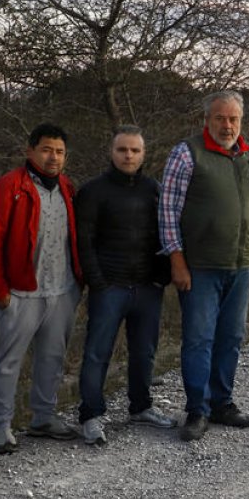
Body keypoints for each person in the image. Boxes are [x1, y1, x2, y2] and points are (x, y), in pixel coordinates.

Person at [160, 91, 249, 442]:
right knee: (199, 339)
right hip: (200, 266)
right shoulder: (186, 154)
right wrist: (177, 260)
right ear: (207, 119)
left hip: (241, 264)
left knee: (231, 337)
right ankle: (198, 409)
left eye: (233, 119)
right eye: (220, 118)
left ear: (241, 121)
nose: (227, 125)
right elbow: (168, 212)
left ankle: (222, 403)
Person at [0, 123, 82, 454]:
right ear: (30, 151)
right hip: (21, 294)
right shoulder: (10, 187)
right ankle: (1, 427)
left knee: (52, 358)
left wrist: (78, 284)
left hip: (61, 291)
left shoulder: (67, 188)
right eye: (46, 150)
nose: (53, 157)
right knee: (8, 362)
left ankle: (43, 418)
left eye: (60, 152)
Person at [75, 126, 177, 446]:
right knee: (97, 352)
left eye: (135, 150)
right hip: (110, 287)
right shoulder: (93, 191)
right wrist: (98, 282)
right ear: (112, 152)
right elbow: (83, 241)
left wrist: (162, 276)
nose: (128, 155)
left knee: (144, 351)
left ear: (143, 154)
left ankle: (141, 407)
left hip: (147, 287)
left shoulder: (155, 190)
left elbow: (167, 234)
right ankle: (91, 415)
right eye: (122, 149)